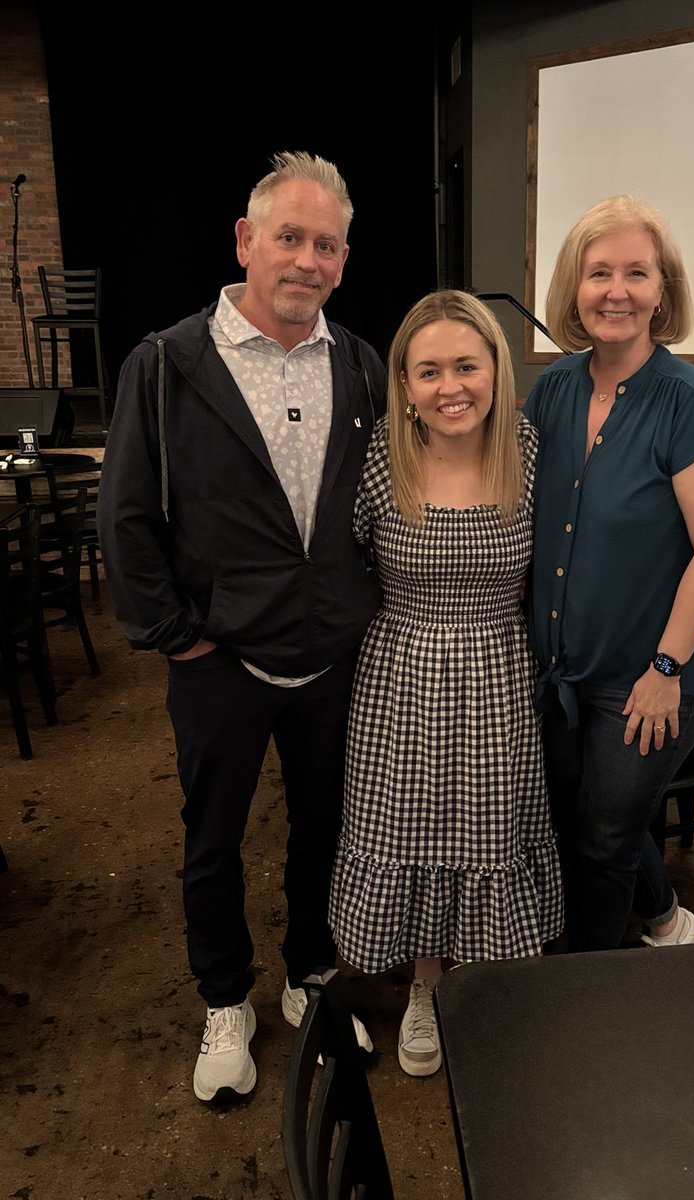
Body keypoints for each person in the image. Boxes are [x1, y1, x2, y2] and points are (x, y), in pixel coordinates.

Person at [96, 151, 386, 1103]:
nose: (307, 260)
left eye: (327, 245)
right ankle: (226, 999)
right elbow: (126, 517)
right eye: (290, 237)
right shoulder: (165, 365)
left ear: (343, 261)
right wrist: (174, 635)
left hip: (331, 659)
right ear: (245, 240)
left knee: (325, 826)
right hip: (217, 662)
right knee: (212, 838)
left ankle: (312, 973)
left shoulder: (360, 364)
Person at [328, 290, 564, 1077]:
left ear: (497, 369)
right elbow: (338, 562)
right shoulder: (380, 456)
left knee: (489, 829)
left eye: (467, 365)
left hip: (498, 672)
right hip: (401, 676)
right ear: (403, 382)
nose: (450, 386)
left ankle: (488, 983)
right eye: (428, 370)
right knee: (411, 830)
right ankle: (425, 987)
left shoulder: (528, 452)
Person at [523, 195, 694, 953]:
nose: (615, 291)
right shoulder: (553, 389)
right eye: (598, 273)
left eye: (636, 273)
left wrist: (666, 670)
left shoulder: (691, 399)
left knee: (601, 839)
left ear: (662, 290)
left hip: (649, 673)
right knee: (581, 818)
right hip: (563, 665)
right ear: (574, 289)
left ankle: (584, 988)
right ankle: (666, 918)